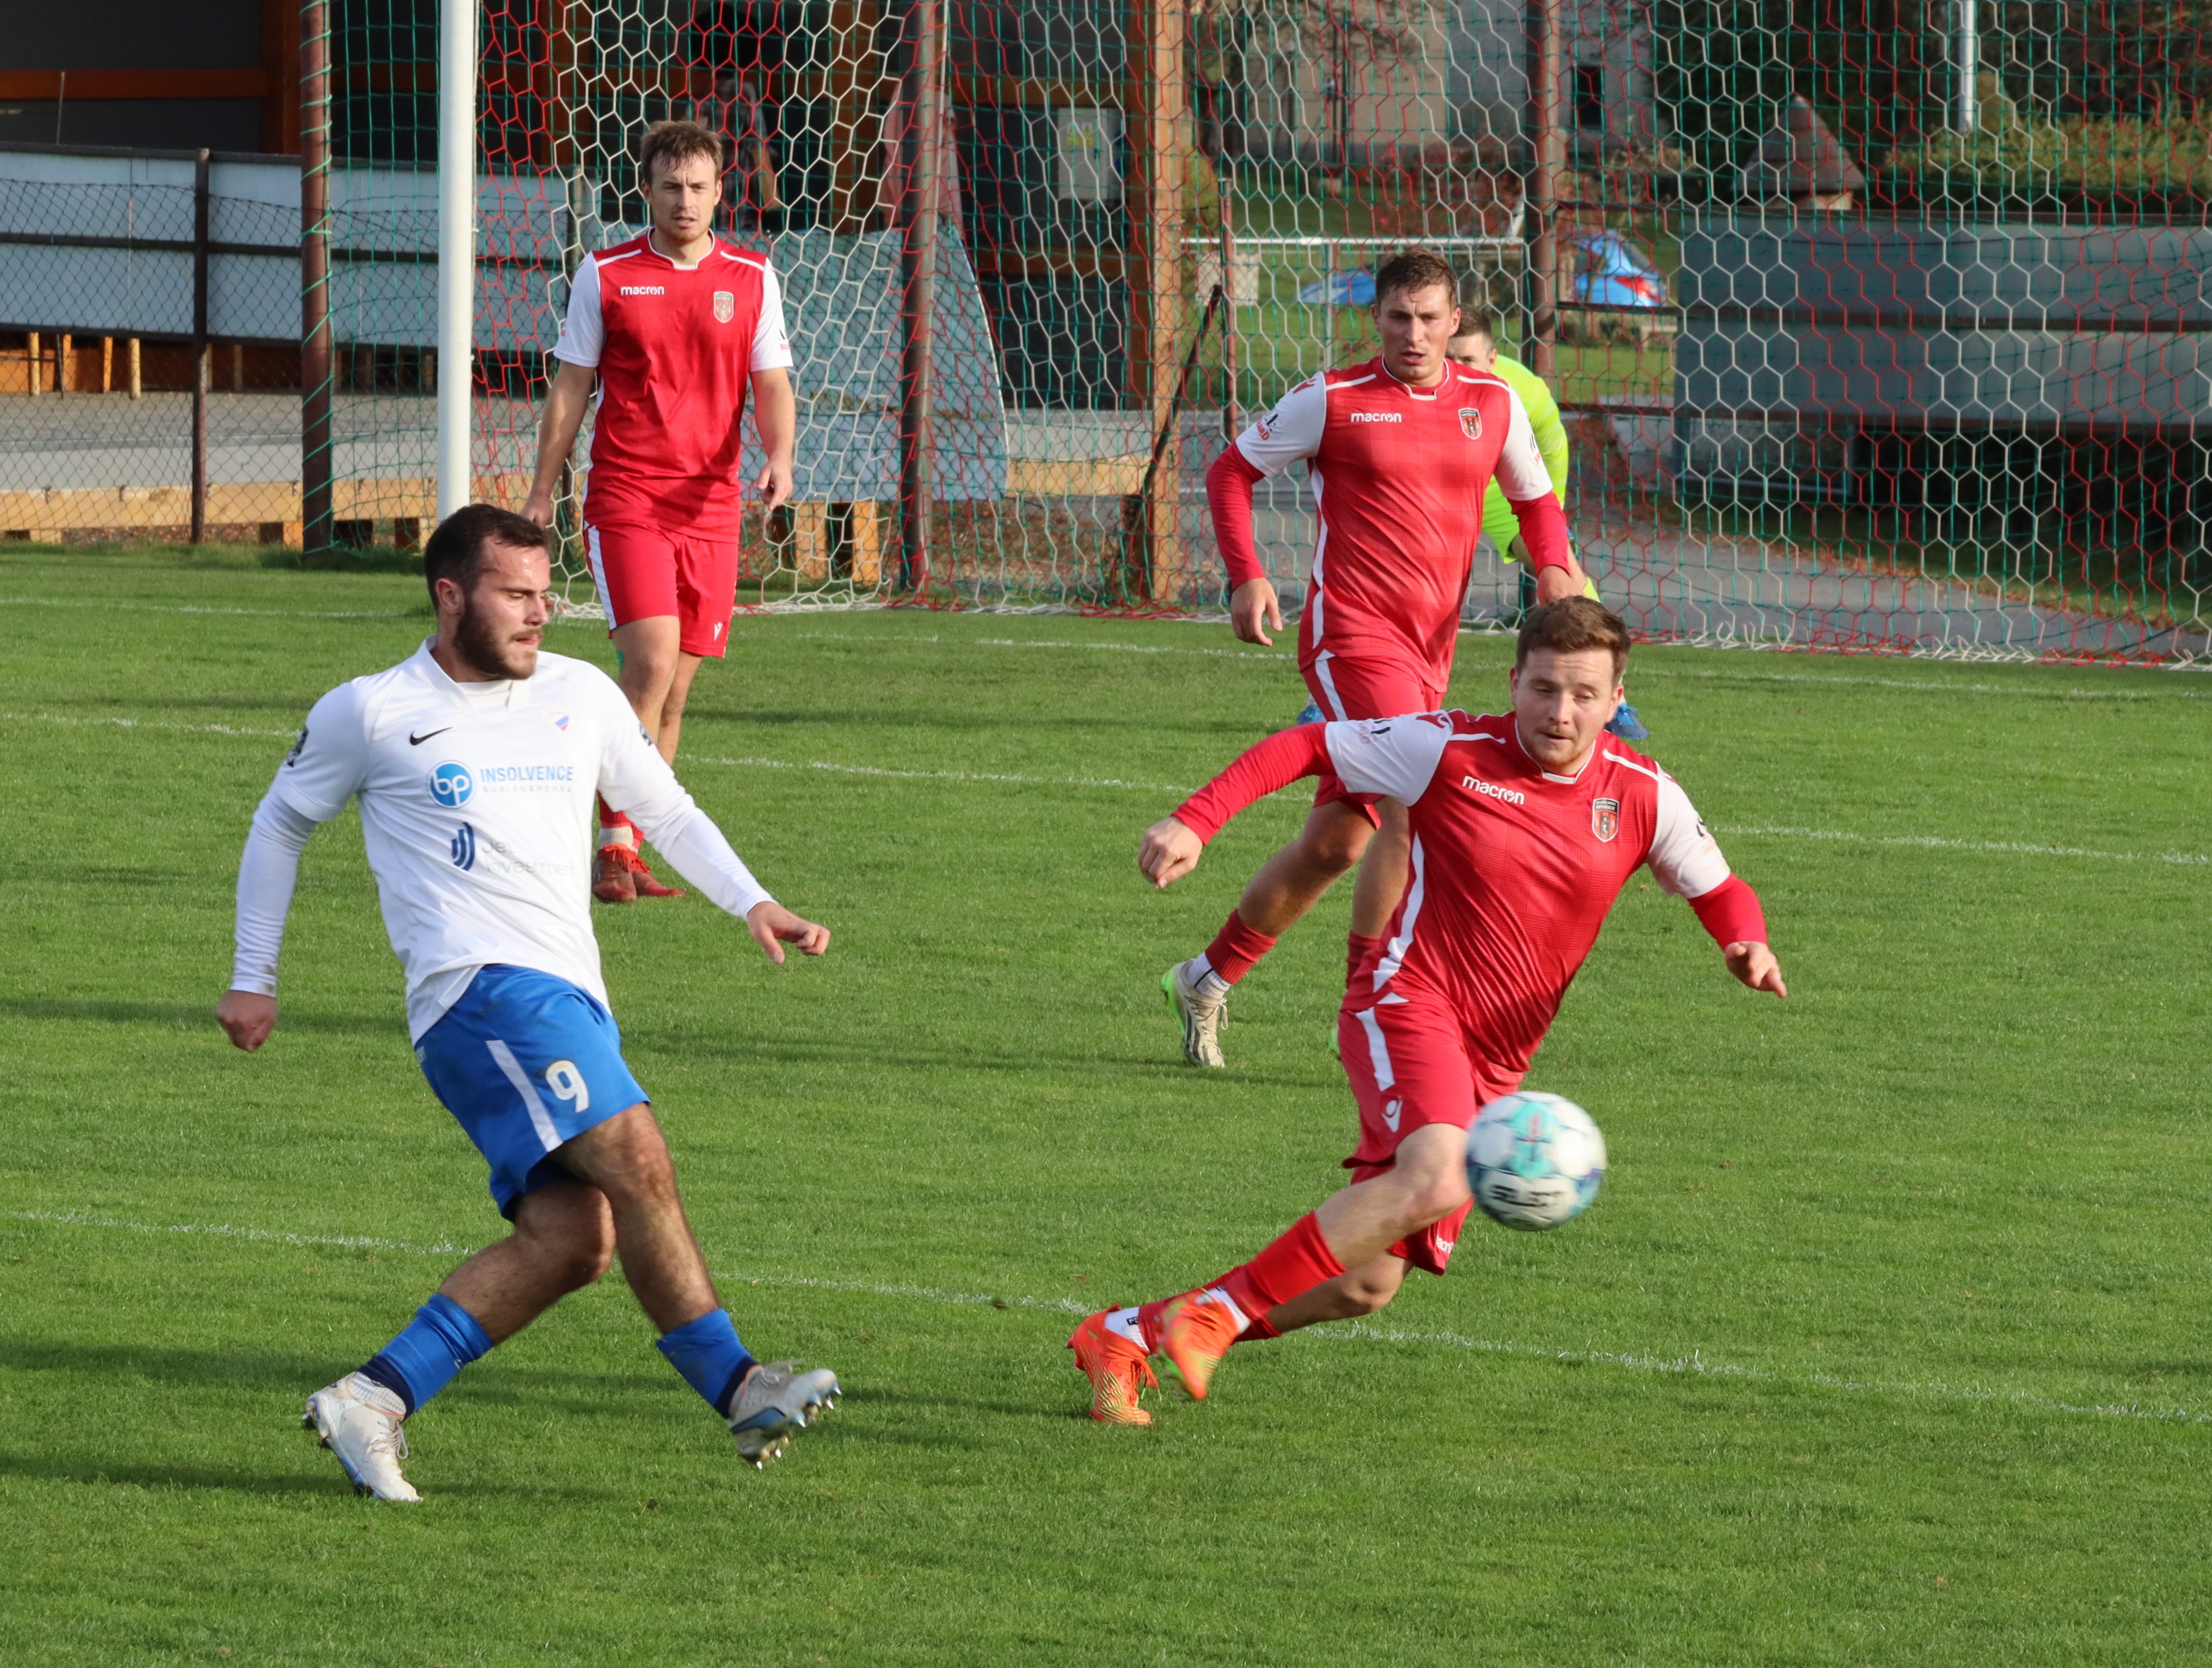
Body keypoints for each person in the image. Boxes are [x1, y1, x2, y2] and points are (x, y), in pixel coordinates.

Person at [216, 505, 839, 1499]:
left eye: (546, 594)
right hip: (476, 993)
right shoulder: (371, 711)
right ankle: (738, 1386)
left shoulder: (580, 693)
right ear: (450, 595)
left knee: (574, 1239)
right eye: (515, 595)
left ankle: (373, 1397)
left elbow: (665, 807)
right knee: (638, 1155)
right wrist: (256, 974)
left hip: (567, 998)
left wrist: (753, 901)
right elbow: (279, 824)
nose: (540, 613)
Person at [1068, 598, 1785, 1425]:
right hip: (1407, 997)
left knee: (1364, 1283)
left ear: (1616, 698)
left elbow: (1720, 888)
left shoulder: (1643, 793)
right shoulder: (1448, 747)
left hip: (1498, 1059)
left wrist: (1745, 941)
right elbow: (1306, 746)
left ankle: (1127, 1331)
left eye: (1584, 694)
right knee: (1439, 1172)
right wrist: (1196, 820)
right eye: (1544, 688)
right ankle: (1214, 1315)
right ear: (1513, 683)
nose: (1560, 711)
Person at [1163, 248, 1588, 1070]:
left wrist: (1555, 572)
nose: (1414, 335)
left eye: (1429, 319)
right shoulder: (1333, 399)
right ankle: (1372, 1007)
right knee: (1413, 806)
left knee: (1339, 842)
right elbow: (1230, 471)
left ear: (1455, 321)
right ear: (1377, 319)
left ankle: (1204, 979)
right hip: (1351, 636)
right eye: (1399, 318)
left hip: (1431, 649)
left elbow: (1538, 506)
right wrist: (1247, 575)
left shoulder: (1493, 404)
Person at [521, 119, 798, 904]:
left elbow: (772, 383)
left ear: (719, 191)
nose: (685, 200)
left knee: (673, 692)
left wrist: (780, 456)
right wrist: (542, 490)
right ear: (646, 189)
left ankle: (626, 846)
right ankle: (607, 848)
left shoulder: (752, 276)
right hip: (627, 497)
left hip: (710, 507)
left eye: (699, 187)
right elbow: (571, 387)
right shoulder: (606, 273)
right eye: (671, 186)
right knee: (648, 662)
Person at [1446, 313, 1649, 741]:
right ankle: (1333, 695)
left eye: (1467, 359)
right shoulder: (1412, 382)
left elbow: (1553, 443)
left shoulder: (1522, 391)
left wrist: (1549, 520)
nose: (1457, 369)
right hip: (1432, 485)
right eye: (1449, 358)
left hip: (1502, 488)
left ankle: (1612, 701)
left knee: (1561, 574)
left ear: (1492, 359)